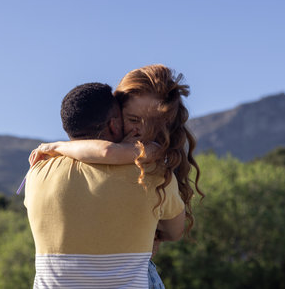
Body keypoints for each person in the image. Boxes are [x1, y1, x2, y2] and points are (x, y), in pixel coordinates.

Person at [29, 64, 203, 288]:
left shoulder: (38, 170)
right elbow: (174, 231)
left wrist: (58, 146)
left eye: (154, 123)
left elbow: (105, 152)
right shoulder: (153, 172)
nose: (140, 131)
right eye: (132, 119)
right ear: (116, 118)